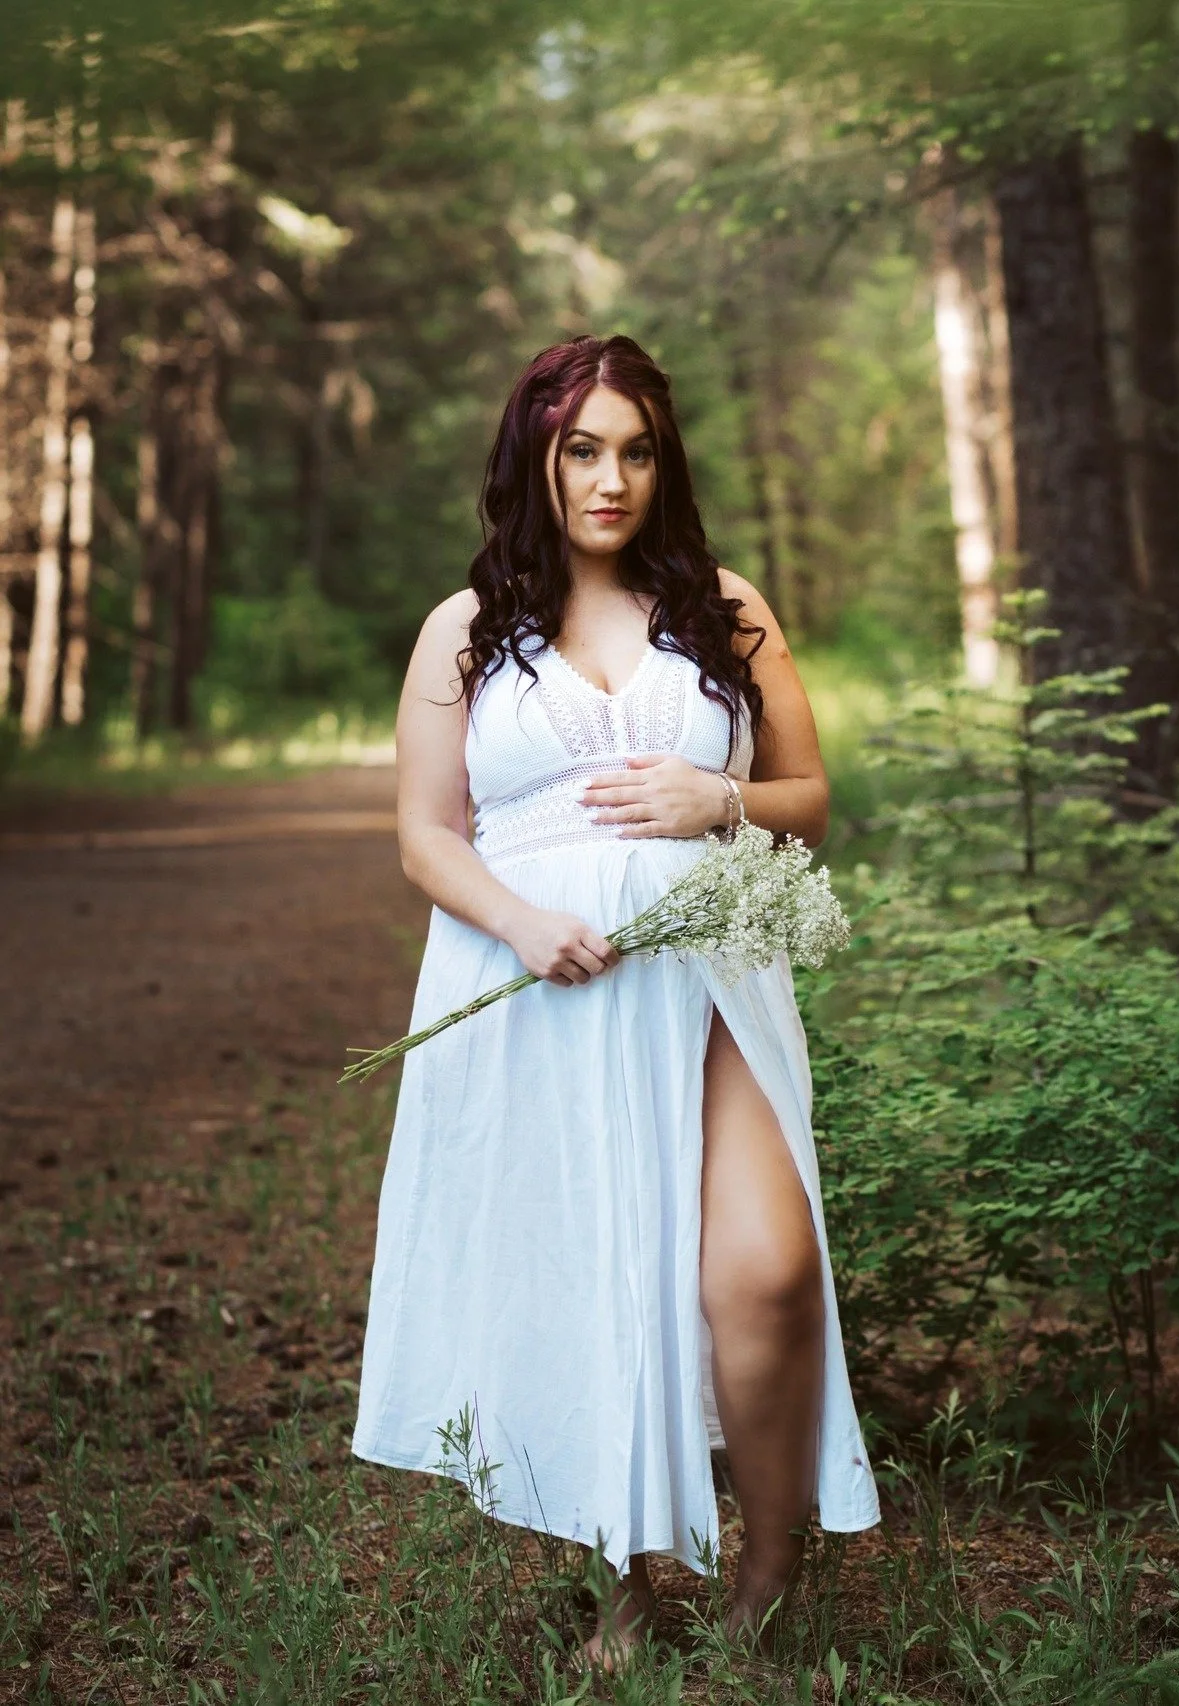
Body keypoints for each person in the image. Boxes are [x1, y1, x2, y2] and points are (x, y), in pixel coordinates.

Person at [352, 333, 880, 1667]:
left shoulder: (725, 603)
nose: (610, 476)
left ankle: (765, 1576)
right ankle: (643, 1580)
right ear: (536, 455)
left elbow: (811, 802)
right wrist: (524, 921)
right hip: (548, 991)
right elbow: (427, 834)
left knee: (763, 1267)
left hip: (710, 982)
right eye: (582, 448)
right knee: (607, 1276)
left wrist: (724, 799)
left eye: (636, 448)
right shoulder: (464, 631)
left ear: (665, 461)